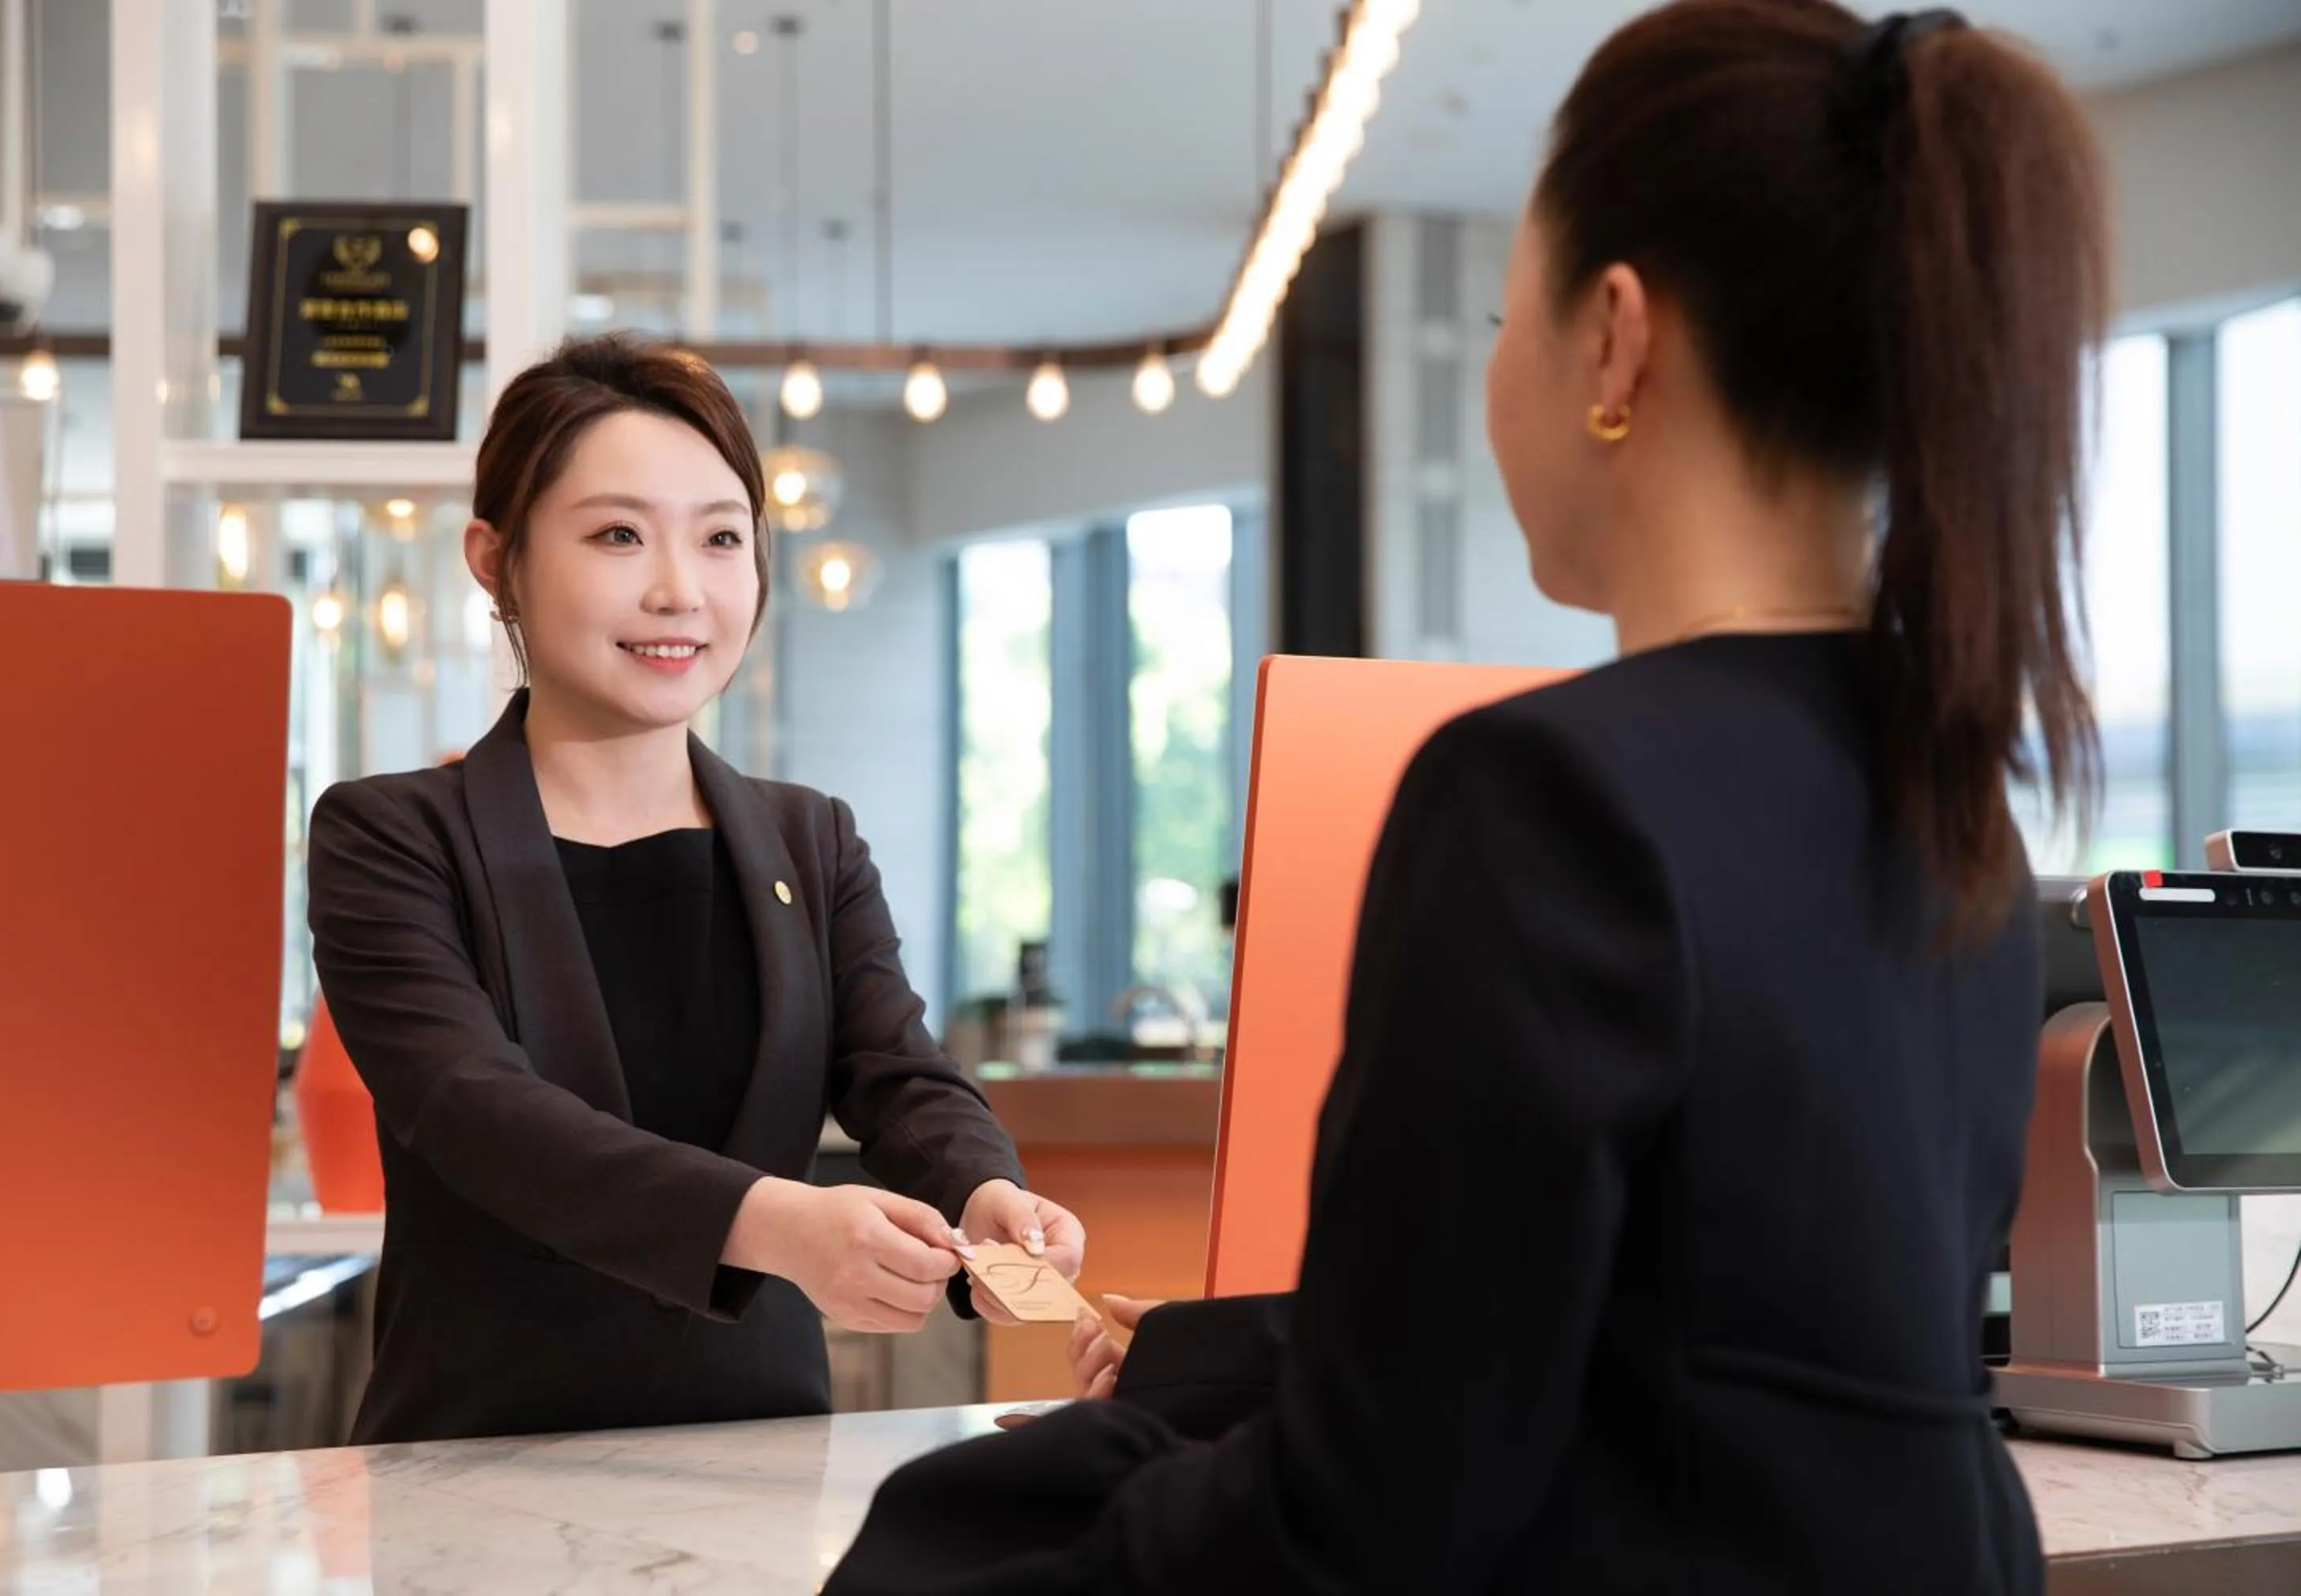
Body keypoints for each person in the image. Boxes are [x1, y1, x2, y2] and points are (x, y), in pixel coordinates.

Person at [828, 2, 2103, 1590]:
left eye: (1508, 316)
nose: (1497, 374)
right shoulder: (1950, 795)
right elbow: (1668, 1329)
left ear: (1616, 340)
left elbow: (1375, 1511)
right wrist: (1202, 1358)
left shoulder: (1551, 795)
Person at [306, 334, 1085, 1444]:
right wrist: (783, 1225)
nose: (680, 590)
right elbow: (479, 1113)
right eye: (619, 535)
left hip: (761, 1452)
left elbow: (897, 1069)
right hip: (479, 1456)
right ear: (496, 559)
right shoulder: (393, 836)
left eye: (722, 539)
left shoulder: (808, 838)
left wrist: (986, 1194)